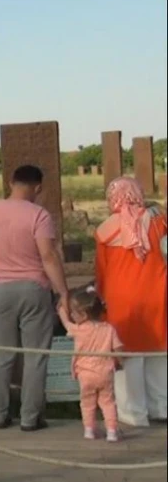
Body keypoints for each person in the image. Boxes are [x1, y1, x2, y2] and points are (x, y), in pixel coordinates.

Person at [0, 164, 69, 431]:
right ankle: (30, 418)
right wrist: (63, 292)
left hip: (3, 288)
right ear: (38, 187)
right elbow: (49, 257)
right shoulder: (39, 215)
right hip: (34, 288)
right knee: (35, 355)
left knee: (2, 355)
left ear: (10, 182)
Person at [94, 177, 167, 427]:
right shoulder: (160, 222)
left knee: (128, 358)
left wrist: (101, 301)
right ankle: (162, 407)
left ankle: (133, 413)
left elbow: (101, 273)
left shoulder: (104, 230)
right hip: (157, 295)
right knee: (159, 352)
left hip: (121, 302)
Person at [56, 288, 123, 441]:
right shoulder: (109, 328)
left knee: (87, 403)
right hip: (105, 372)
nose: (72, 315)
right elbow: (118, 349)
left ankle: (89, 430)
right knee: (108, 402)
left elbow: (66, 323)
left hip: (85, 374)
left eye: (74, 312)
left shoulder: (78, 330)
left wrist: (61, 309)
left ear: (84, 315)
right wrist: (120, 363)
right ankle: (112, 431)